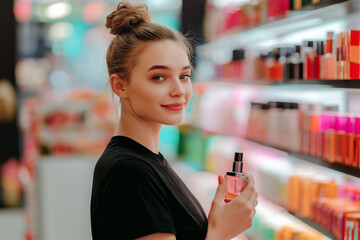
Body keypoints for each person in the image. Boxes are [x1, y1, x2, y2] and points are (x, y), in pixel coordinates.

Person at [90, 2, 258, 240]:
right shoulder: (130, 172)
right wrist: (221, 232)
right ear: (120, 85)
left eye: (184, 76)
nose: (179, 90)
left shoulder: (147, 162)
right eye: (159, 77)